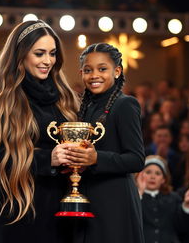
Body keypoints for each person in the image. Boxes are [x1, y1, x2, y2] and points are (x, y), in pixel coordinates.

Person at [0, 19, 79, 243]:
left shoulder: (63, 94)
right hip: (15, 212)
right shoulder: (0, 96)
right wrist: (48, 158)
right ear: (20, 55)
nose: (48, 61)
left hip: (58, 213)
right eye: (39, 53)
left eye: (52, 53)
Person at [58, 43, 145, 242]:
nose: (94, 75)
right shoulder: (84, 108)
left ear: (117, 71)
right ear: (81, 73)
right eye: (88, 70)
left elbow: (137, 159)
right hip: (87, 197)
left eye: (102, 69)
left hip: (115, 201)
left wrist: (97, 158)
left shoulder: (126, 104)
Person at [136, 155, 189, 243]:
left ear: (163, 179)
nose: (153, 177)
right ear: (140, 175)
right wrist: (139, 193)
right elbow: (130, 222)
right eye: (148, 172)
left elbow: (182, 227)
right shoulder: (135, 197)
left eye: (157, 173)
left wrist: (186, 204)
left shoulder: (174, 198)